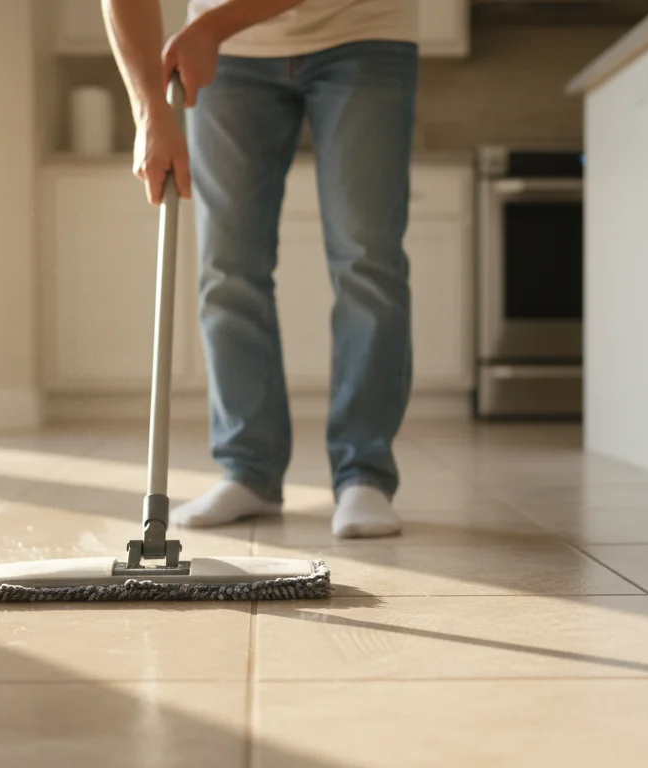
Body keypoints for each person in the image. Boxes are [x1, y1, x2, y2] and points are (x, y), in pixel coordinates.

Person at [102, 0, 417, 538]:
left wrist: (213, 25)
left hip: (363, 33)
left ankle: (364, 474)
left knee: (367, 258)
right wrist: (149, 110)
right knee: (228, 266)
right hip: (229, 58)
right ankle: (249, 470)